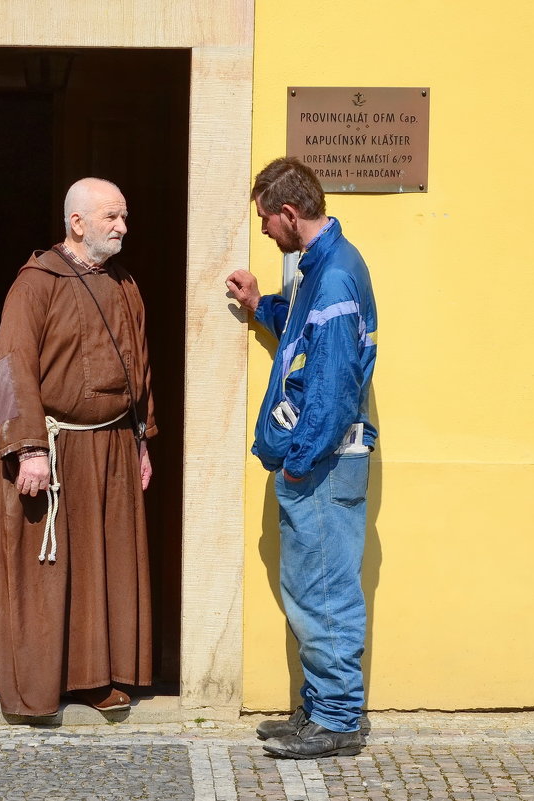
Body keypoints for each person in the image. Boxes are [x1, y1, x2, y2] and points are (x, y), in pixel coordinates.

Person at [0, 177, 156, 717]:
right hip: (52, 450)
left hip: (111, 449)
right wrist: (29, 447)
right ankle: (36, 687)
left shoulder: (124, 282)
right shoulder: (37, 283)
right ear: (77, 223)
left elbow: (139, 366)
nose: (122, 227)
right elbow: (10, 366)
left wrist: (141, 438)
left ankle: (91, 676)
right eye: (112, 217)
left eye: (124, 217)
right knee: (47, 569)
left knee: (100, 567)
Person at [226, 157, 378, 759]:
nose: (263, 229)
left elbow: (336, 385)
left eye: (266, 218)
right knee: (310, 590)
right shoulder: (319, 269)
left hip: (323, 465)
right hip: (315, 463)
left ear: (290, 214)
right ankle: (319, 711)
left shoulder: (335, 276)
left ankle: (338, 721)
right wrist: (263, 304)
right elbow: (306, 338)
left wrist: (298, 463)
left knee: (324, 592)